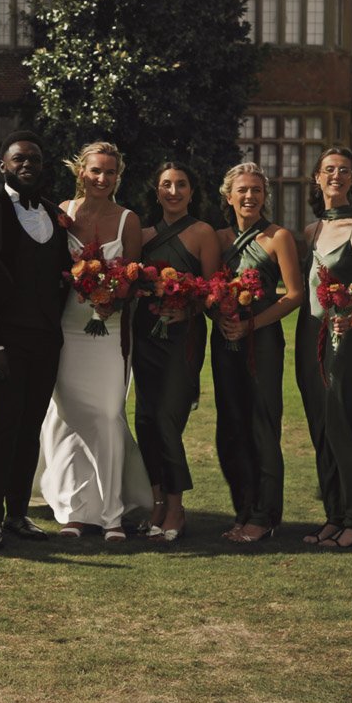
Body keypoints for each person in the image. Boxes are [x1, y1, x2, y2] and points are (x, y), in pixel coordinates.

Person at [41, 141, 151, 542]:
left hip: (109, 334)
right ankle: (75, 510)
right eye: (95, 171)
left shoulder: (128, 221)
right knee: (70, 418)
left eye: (110, 173)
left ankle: (111, 514)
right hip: (67, 331)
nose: (102, 179)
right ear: (81, 172)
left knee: (106, 415)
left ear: (118, 177)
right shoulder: (61, 214)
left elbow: (135, 278)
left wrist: (115, 299)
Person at [0, 131, 70, 550]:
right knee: (3, 427)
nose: (27, 165)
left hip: (47, 340)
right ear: (3, 165)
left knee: (30, 430)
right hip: (5, 343)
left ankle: (18, 514)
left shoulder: (54, 215)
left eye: (35, 160)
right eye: (19, 159)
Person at [210, 163, 303, 545]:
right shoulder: (216, 239)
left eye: (257, 191)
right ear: (228, 196)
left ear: (265, 196)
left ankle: (265, 515)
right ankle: (242, 510)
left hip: (261, 339)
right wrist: (218, 314)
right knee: (231, 425)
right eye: (242, 191)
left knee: (262, 423)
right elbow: (206, 288)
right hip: (224, 340)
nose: (250, 197)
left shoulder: (278, 236)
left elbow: (294, 295)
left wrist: (252, 324)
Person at [295, 147, 352, 548]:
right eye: (329, 170)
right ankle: (334, 514)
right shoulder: (310, 230)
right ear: (317, 177)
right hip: (307, 333)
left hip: (343, 335)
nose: (336, 176)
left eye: (344, 170)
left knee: (341, 422)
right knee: (319, 425)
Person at [133, 162, 220, 542]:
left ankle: (176, 506)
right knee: (145, 420)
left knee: (168, 419)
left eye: (181, 184)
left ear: (191, 191)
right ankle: (154, 501)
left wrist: (187, 307)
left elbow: (213, 290)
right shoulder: (144, 233)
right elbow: (131, 283)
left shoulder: (202, 232)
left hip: (183, 337)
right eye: (166, 185)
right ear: (157, 191)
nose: (173, 191)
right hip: (145, 337)